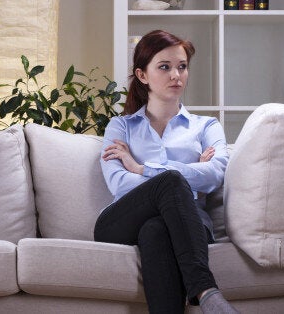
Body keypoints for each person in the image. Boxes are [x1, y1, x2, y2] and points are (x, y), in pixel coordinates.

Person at [94, 30, 238, 314]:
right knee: (171, 181)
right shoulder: (120, 127)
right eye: (165, 67)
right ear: (143, 75)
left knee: (156, 229)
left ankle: (204, 293)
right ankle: (206, 290)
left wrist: (141, 167)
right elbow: (118, 182)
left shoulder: (206, 126)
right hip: (121, 223)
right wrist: (187, 171)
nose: (176, 75)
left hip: (190, 225)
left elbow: (215, 174)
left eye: (182, 67)